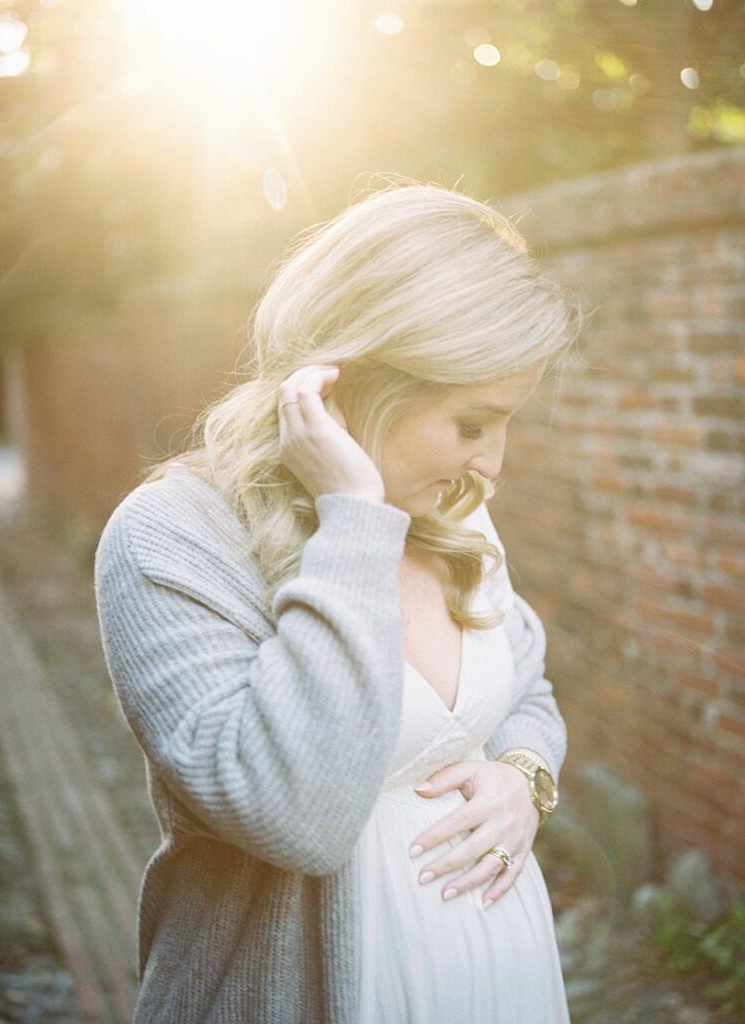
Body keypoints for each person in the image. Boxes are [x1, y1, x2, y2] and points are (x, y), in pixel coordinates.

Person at [94, 179, 581, 1023]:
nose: (492, 465)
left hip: (504, 984)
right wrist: (354, 522)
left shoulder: (452, 511)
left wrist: (521, 777)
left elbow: (525, 691)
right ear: (350, 383)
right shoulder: (172, 535)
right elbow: (294, 817)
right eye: (471, 424)